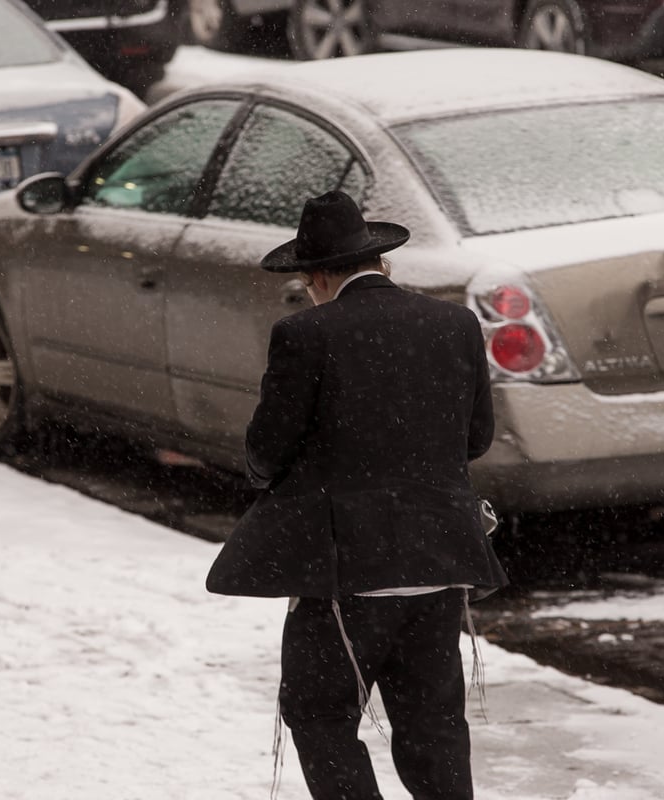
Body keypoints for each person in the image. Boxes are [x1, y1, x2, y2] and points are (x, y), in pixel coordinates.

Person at [207, 190, 507, 799]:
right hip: (440, 565)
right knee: (433, 724)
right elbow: (476, 439)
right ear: (381, 263)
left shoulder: (304, 335)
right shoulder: (455, 323)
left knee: (319, 714)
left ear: (317, 275)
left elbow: (267, 453)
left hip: (347, 573)